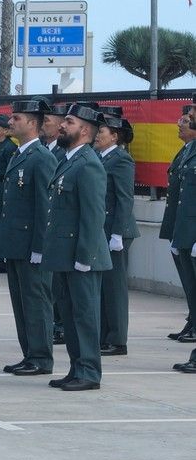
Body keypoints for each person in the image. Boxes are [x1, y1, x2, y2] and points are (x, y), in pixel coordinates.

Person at [46, 103, 112, 391]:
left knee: (84, 316)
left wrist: (85, 256)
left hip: (82, 257)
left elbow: (93, 215)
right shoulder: (69, 159)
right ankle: (76, 367)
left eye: (69, 122)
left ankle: (89, 372)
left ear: (84, 130)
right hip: (64, 255)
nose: (62, 125)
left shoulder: (88, 164)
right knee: (70, 316)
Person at [0, 98, 58, 376]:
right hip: (16, 243)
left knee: (36, 302)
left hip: (32, 245)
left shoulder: (42, 157)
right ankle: (29, 353)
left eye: (16, 118)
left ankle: (42, 357)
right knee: (21, 303)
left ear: (32, 123)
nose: (11, 122)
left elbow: (45, 206)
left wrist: (40, 247)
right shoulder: (20, 154)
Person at [95, 111, 138, 356]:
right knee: (102, 287)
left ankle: (117, 339)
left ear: (115, 136)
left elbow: (124, 199)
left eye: (102, 132)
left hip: (115, 231)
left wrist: (118, 234)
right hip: (103, 230)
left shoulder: (121, 160)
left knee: (114, 288)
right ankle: (105, 335)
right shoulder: (101, 158)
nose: (97, 136)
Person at [161, 102, 196, 344]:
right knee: (188, 281)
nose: (181, 123)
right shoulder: (185, 151)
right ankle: (193, 319)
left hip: (192, 230)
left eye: (187, 119)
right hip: (182, 227)